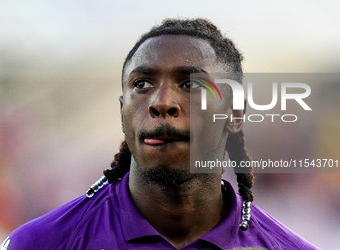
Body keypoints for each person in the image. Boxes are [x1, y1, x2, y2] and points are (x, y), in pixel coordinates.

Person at [1, 18, 319, 250]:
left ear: (234, 115)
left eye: (192, 84)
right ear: (122, 110)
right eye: (142, 84)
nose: (162, 102)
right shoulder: (41, 243)